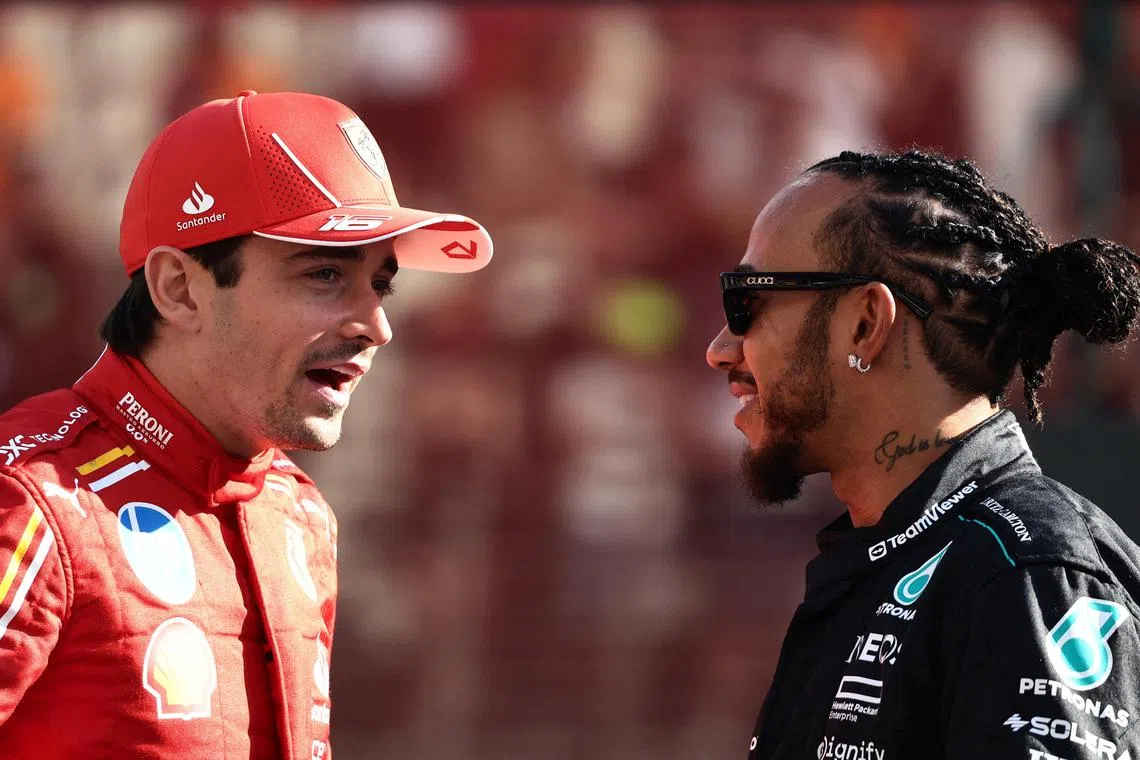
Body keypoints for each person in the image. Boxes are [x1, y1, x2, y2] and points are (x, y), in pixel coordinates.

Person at [0, 90, 492, 759]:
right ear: (179, 288)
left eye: (381, 285)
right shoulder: (32, 506)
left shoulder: (300, 516)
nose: (376, 326)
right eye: (324, 275)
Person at [705, 148, 1140, 759]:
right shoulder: (893, 559)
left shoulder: (1027, 573)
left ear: (865, 325)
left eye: (747, 302)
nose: (721, 349)